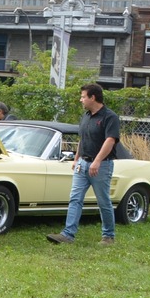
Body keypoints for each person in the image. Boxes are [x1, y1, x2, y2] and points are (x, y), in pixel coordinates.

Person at [47, 83, 120, 245]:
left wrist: (97, 161)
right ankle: (68, 235)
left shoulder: (110, 117)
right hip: (83, 164)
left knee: (103, 201)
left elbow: (110, 141)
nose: (81, 100)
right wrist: (76, 158)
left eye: (83, 96)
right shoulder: (86, 116)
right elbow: (83, 139)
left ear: (92, 97)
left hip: (101, 166)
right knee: (75, 199)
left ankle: (108, 236)